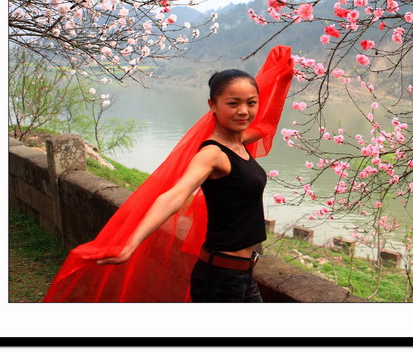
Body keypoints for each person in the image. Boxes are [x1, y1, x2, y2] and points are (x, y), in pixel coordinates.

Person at [43, 46, 293, 302]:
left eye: (251, 103)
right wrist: (131, 242)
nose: (244, 111)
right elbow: (174, 196)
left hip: (244, 274)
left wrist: (282, 80)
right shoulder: (212, 154)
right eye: (233, 103)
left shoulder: (239, 143)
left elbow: (267, 124)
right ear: (213, 105)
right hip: (221, 278)